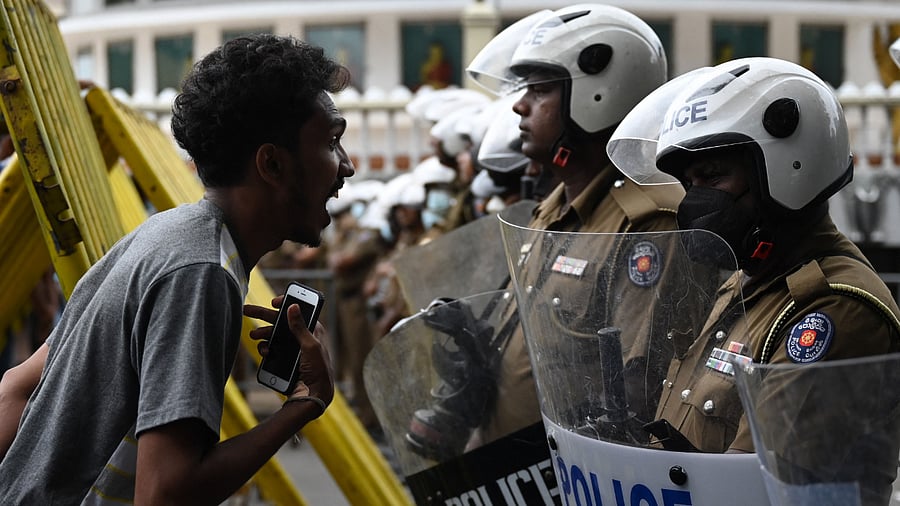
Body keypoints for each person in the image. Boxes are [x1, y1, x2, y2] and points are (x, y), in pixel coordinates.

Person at [0, 33, 353, 504]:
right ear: (271, 162)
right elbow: (165, 494)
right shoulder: (201, 273)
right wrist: (305, 403)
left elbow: (15, 388)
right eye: (332, 143)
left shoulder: (165, 234)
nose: (346, 167)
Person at [608, 56, 900, 503]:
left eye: (712, 177)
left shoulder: (832, 308)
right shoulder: (746, 281)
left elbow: (750, 489)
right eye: (689, 184)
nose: (694, 202)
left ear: (787, 166)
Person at [462, 4, 683, 446]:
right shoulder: (551, 209)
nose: (520, 104)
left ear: (600, 95)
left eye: (540, 89)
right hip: (509, 469)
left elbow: (634, 393)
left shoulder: (646, 222)